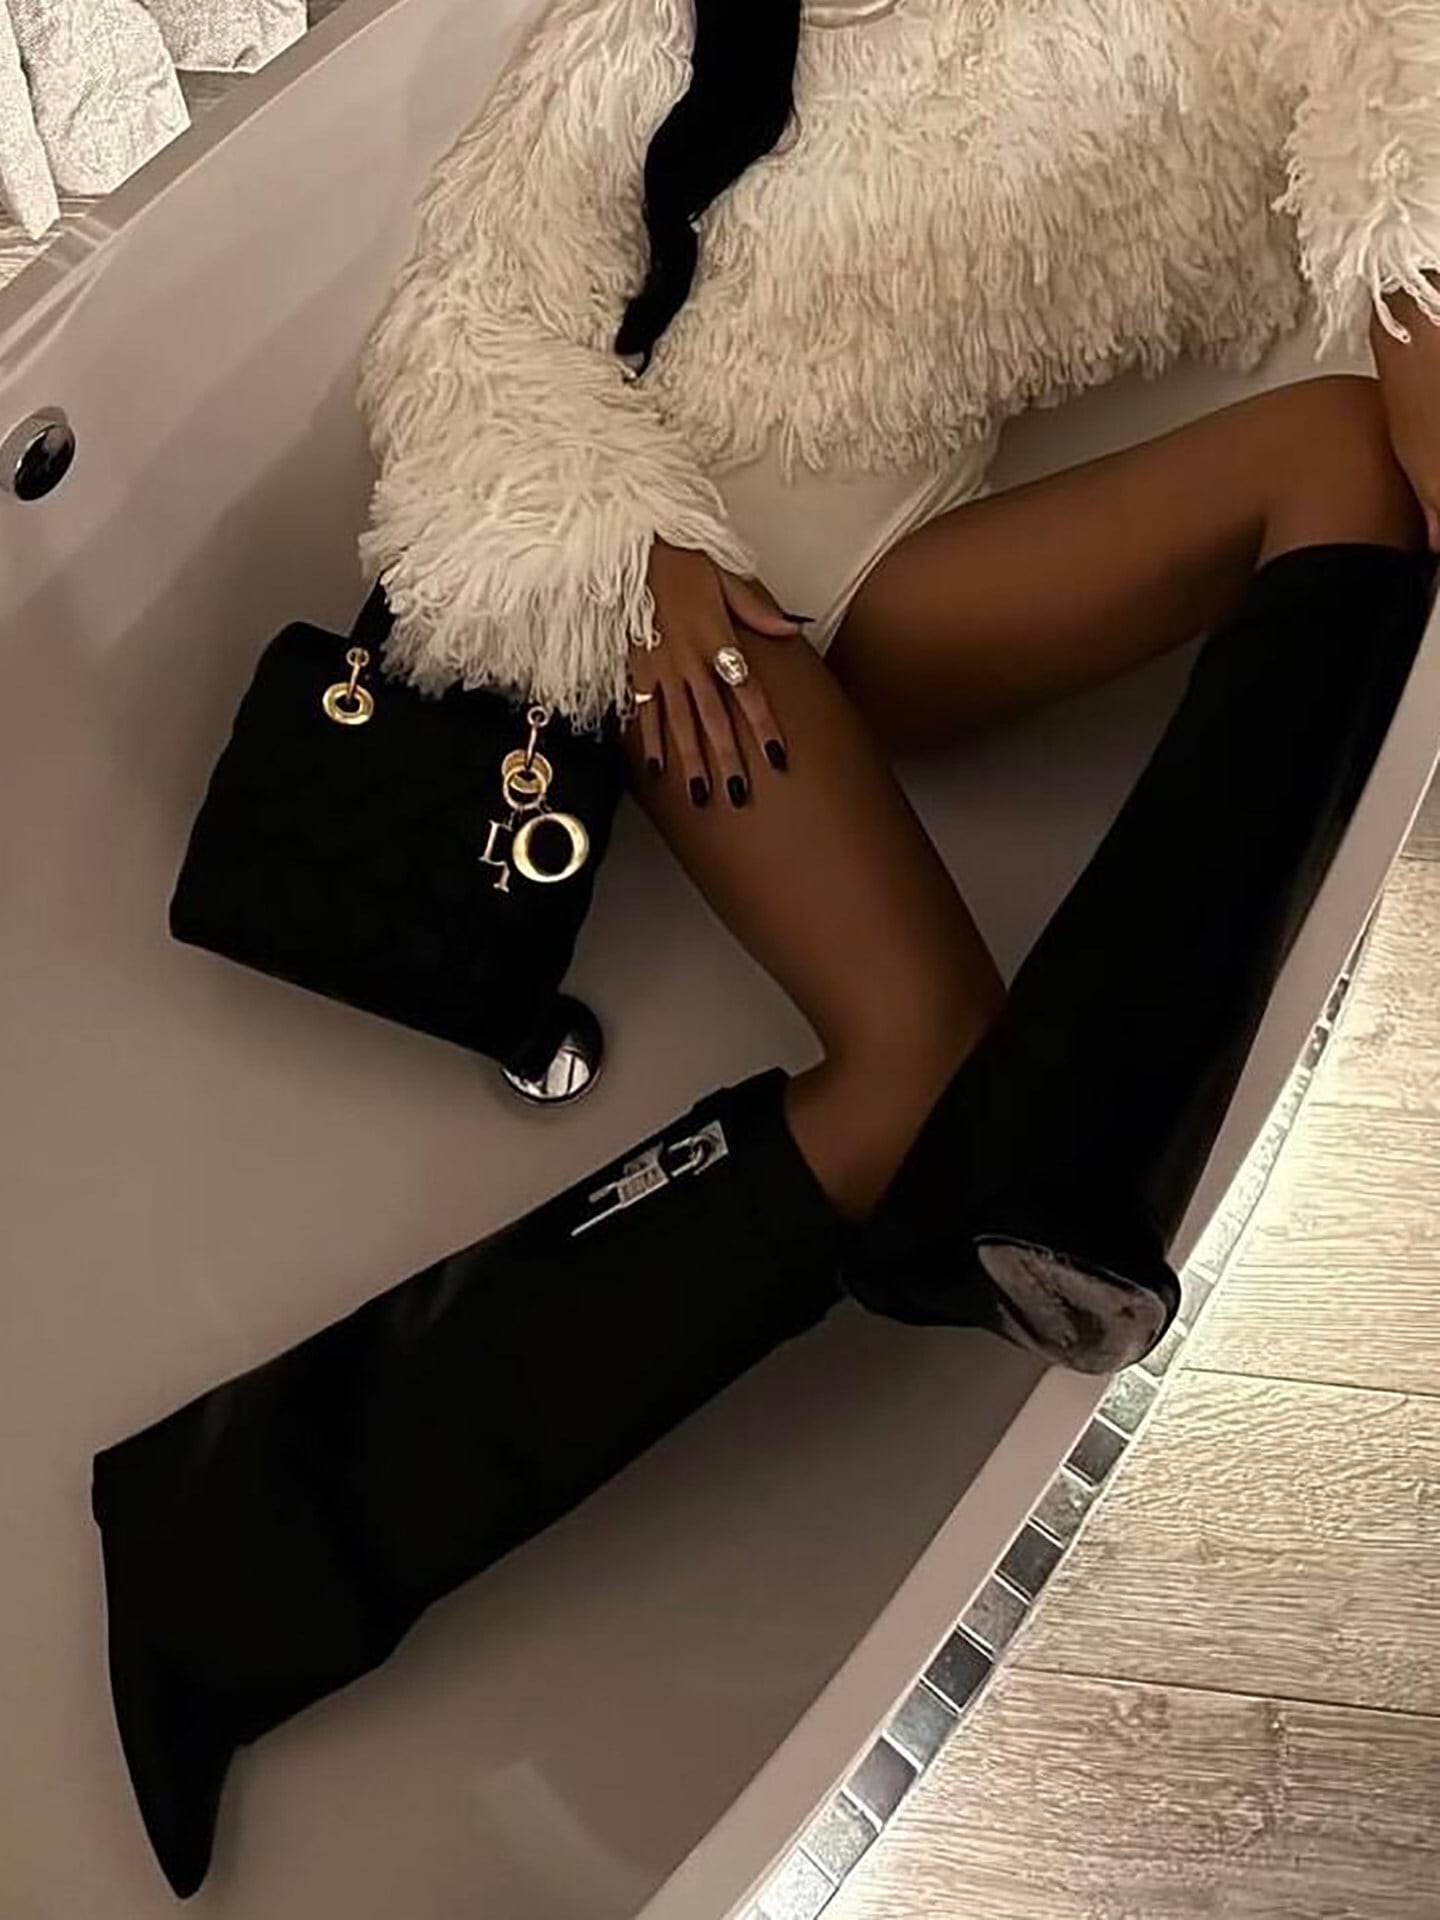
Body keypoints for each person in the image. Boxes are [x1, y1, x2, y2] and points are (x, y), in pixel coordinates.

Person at [92, 0, 1440, 1894]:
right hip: (683, 574)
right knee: (922, 1076)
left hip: (904, 561)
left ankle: (1070, 1153)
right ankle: (236, 1536)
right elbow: (470, 328)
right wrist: (629, 554)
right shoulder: (652, 29)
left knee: (1349, 462)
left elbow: (1396, 98)